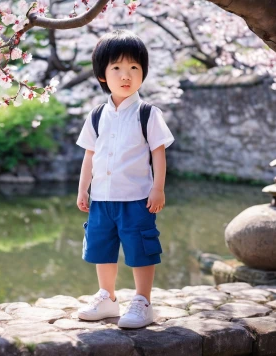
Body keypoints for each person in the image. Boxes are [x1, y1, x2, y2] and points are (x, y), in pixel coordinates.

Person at [75, 29, 175, 329]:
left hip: (137, 198)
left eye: (134, 67)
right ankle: (107, 297)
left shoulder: (148, 113)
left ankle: (143, 301)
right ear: (103, 74)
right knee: (101, 248)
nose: (125, 75)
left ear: (143, 72)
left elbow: (158, 153)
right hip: (102, 199)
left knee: (140, 249)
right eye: (116, 68)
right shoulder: (96, 115)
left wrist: (158, 188)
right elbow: (90, 156)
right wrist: (83, 189)